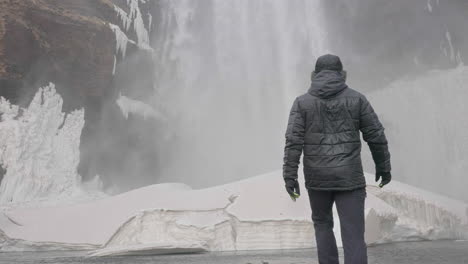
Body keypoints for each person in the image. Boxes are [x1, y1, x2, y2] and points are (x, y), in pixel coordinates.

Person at [282, 54, 391, 264]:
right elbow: (376, 136)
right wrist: (383, 167)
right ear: (342, 74)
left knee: (322, 226)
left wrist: (290, 176)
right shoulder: (357, 99)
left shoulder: (302, 103)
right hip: (349, 177)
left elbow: (292, 141)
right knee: (354, 233)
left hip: (317, 177)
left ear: (314, 75)